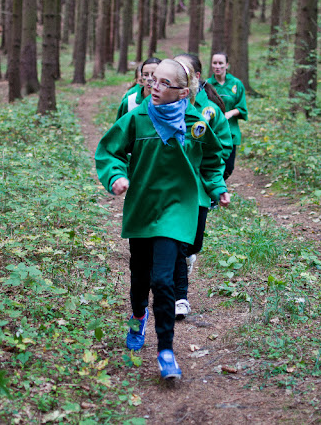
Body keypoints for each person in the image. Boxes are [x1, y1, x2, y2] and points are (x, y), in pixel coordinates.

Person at [95, 59, 230, 380]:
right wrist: (116, 176)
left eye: (163, 83)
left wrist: (218, 188)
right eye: (153, 80)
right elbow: (109, 151)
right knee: (140, 276)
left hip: (177, 209)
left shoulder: (196, 122)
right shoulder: (136, 118)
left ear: (183, 91)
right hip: (143, 206)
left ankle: (166, 351)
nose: (154, 87)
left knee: (163, 280)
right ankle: (137, 318)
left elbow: (212, 160)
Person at [172, 54, 233, 319]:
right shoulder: (163, 107)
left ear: (196, 77)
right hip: (171, 190)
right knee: (175, 242)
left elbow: (222, 149)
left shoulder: (210, 111)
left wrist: (216, 184)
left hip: (198, 191)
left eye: (184, 70)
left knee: (193, 244)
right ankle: (179, 297)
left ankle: (187, 258)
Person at [207, 52, 248, 180]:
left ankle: (220, 185)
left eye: (220, 63)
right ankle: (214, 190)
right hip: (212, 132)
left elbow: (242, 108)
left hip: (231, 132)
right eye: (214, 63)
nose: (217, 66)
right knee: (212, 165)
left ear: (227, 65)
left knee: (228, 168)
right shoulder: (207, 84)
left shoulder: (236, 83)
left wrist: (229, 113)